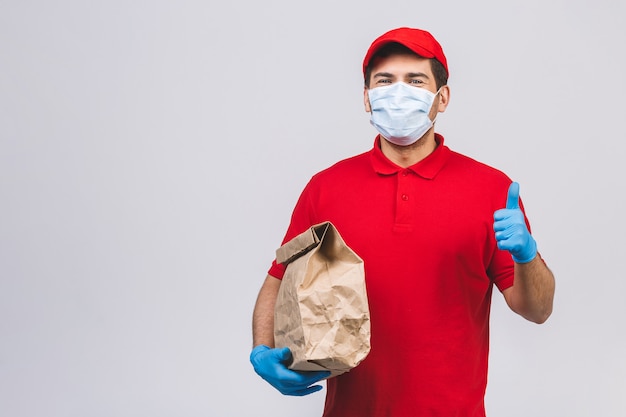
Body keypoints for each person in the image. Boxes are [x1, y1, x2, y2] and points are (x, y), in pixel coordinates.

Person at [250, 27, 555, 416]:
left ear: (441, 97)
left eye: (415, 81)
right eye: (384, 81)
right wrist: (262, 349)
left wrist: (527, 256)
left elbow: (537, 309)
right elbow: (277, 280)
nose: (398, 92)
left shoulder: (491, 190)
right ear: (366, 98)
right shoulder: (326, 189)